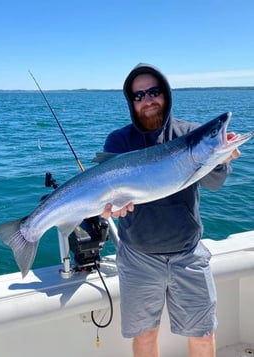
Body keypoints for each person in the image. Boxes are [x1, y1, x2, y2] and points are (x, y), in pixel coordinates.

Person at [101, 63, 240, 357]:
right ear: (131, 102)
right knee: (146, 336)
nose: (147, 100)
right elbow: (108, 194)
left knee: (202, 335)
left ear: (165, 94)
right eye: (139, 96)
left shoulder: (189, 133)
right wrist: (109, 206)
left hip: (188, 254)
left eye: (153, 92)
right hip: (138, 257)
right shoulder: (119, 141)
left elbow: (215, 183)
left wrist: (220, 157)